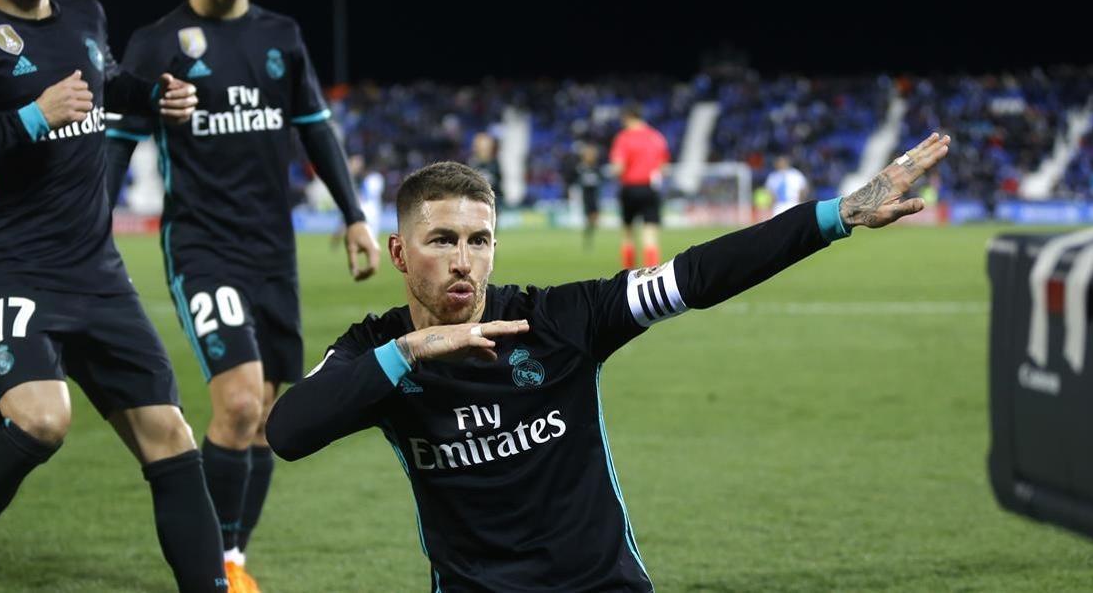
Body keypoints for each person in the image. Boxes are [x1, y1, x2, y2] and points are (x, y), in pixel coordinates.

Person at [266, 132, 952, 591]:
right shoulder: (376, 352)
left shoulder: (560, 321)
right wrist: (408, 352)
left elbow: (696, 275)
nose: (462, 260)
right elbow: (288, 431)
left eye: (479, 240)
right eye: (441, 239)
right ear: (397, 252)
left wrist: (836, 215)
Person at [0, 0, 228, 592]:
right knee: (43, 419)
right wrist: (28, 121)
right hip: (13, 263)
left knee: (172, 436)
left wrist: (157, 95)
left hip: (97, 271)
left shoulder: (86, 16)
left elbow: (110, 80)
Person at [102, 0, 381, 590]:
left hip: (271, 250)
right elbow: (118, 148)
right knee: (237, 403)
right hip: (201, 245)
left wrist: (353, 216)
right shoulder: (157, 44)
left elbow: (316, 131)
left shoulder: (280, 37)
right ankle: (213, 572)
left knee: (261, 415)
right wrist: (89, 229)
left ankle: (230, 558)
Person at [609, 102, 669, 269]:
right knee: (650, 234)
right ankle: (652, 276)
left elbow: (618, 167)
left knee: (628, 234)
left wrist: (613, 172)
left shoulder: (623, 137)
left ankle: (628, 275)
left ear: (627, 117)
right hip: (650, 188)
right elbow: (664, 168)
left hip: (630, 188)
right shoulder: (656, 136)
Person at [572, 141, 604, 250]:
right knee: (589, 218)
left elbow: (601, 180)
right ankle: (588, 238)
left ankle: (589, 234)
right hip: (586, 197)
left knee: (595, 219)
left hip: (595, 197)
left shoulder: (596, 168)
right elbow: (575, 181)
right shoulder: (580, 168)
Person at [469, 131, 502, 205]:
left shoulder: (496, 164)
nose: (484, 149)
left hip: (494, 203)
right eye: (481, 146)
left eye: (486, 146)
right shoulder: (470, 164)